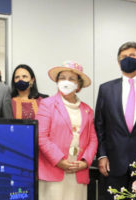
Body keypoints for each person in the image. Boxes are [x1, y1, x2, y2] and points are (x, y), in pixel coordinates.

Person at [95, 42, 136, 199]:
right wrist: (102, 155)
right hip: (113, 163)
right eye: (123, 57)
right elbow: (100, 125)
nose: (128, 59)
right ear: (118, 62)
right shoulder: (106, 89)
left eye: (132, 56)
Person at [36, 61, 98, 200]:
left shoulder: (87, 110)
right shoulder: (47, 104)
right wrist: (59, 160)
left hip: (78, 171)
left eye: (71, 79)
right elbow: (41, 136)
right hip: (54, 169)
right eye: (62, 78)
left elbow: (93, 139)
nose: (66, 82)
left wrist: (85, 162)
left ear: (79, 86)